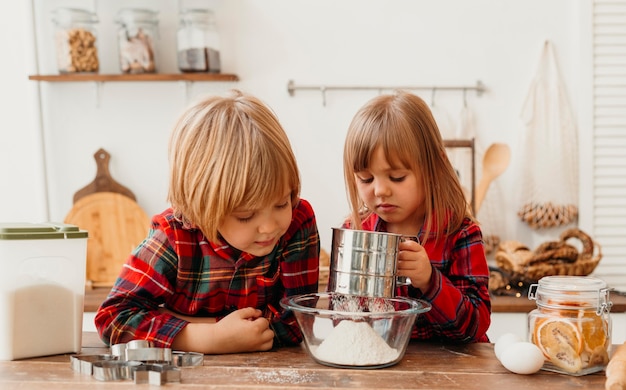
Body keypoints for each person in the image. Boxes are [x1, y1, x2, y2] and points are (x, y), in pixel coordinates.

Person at [95, 90, 320, 353]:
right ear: (199, 207)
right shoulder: (174, 236)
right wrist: (206, 337)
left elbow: (298, 321)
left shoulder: (297, 222)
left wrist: (186, 321)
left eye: (281, 203)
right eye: (245, 216)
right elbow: (113, 319)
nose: (270, 226)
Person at [341, 90, 491, 342]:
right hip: (383, 373)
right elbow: (343, 325)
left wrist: (430, 281)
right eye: (366, 179)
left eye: (397, 177)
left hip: (453, 375)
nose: (380, 190)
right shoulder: (356, 231)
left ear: (434, 169)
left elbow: (476, 326)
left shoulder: (460, 233)